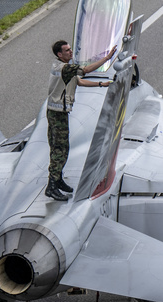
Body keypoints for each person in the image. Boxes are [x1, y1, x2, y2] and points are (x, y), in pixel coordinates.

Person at [43, 40, 117, 200]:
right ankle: (51, 186)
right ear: (59, 54)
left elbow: (79, 81)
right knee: (60, 150)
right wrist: (107, 58)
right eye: (67, 50)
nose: (71, 52)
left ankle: (58, 179)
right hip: (58, 114)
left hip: (55, 112)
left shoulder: (60, 66)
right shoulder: (66, 68)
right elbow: (86, 70)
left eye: (70, 49)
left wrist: (100, 84)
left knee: (59, 148)